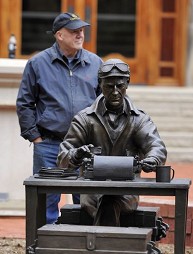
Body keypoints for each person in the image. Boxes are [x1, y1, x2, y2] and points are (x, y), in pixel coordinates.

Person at [57, 58, 167, 226]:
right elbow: (63, 156)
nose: (115, 92)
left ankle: (97, 248)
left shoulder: (139, 120)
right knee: (105, 201)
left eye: (120, 86)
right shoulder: (85, 119)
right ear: (100, 84)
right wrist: (76, 154)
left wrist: (153, 159)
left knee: (110, 202)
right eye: (109, 86)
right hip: (92, 190)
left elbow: (156, 146)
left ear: (127, 84)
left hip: (127, 190)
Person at [16, 12, 103, 224]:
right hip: (49, 145)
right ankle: (45, 253)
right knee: (46, 206)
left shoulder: (96, 63)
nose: (80, 34)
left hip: (86, 146)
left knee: (87, 205)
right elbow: (25, 103)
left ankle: (82, 252)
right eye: (74, 31)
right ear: (59, 35)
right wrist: (35, 137)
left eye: (81, 30)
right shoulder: (37, 63)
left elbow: (106, 103)